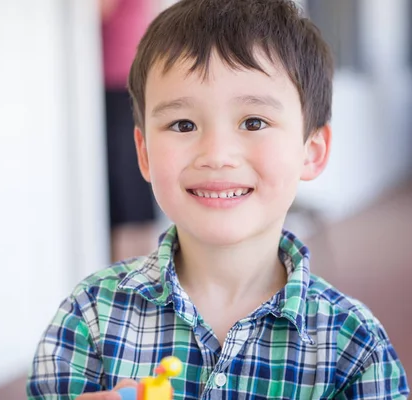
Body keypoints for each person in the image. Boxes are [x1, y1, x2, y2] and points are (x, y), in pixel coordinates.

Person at [27, 0, 410, 398]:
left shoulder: (355, 345)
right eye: (183, 124)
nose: (216, 154)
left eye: (254, 122)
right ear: (144, 153)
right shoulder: (89, 316)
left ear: (311, 151)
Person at [100, 0, 160, 262]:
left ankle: (132, 280)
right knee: (130, 185)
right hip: (124, 80)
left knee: (127, 189)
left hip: (119, 83)